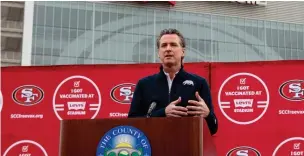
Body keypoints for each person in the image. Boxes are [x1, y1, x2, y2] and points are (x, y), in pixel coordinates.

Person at [128, 28, 218, 135]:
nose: (168, 49)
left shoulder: (199, 83)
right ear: (158, 53)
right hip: (155, 148)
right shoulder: (144, 84)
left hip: (188, 148)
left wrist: (207, 115)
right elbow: (132, 124)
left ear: (183, 52)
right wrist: (163, 113)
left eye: (173, 45)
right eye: (164, 45)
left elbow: (213, 128)